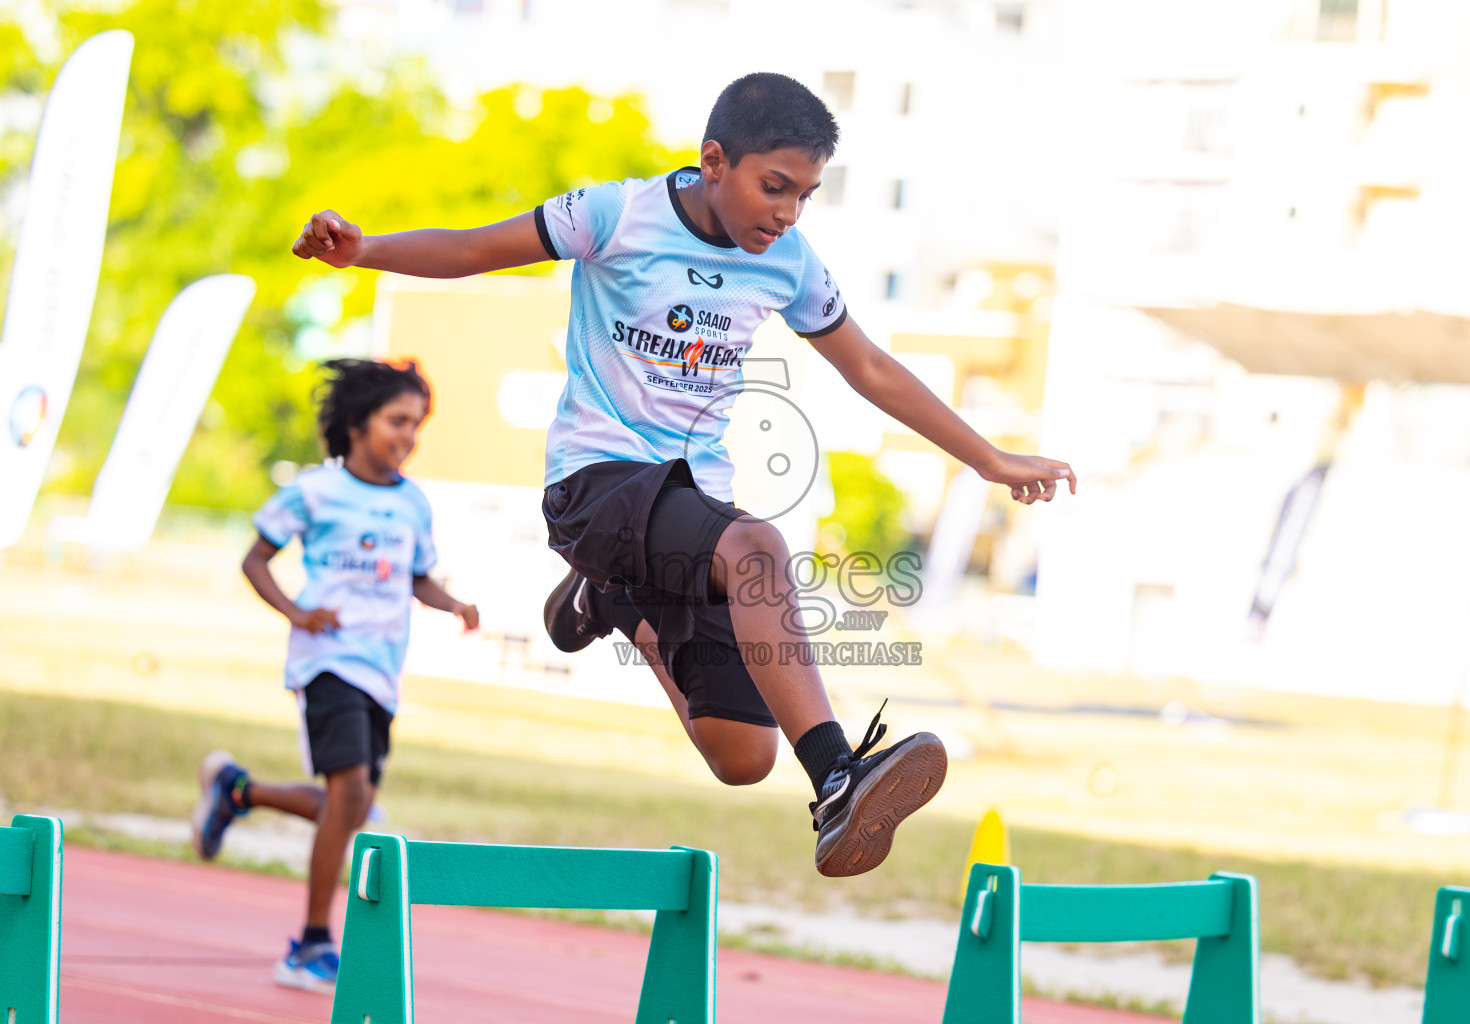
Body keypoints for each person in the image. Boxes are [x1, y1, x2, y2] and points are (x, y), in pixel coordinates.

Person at [289, 72, 1073, 878]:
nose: (787, 213)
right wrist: (367, 251)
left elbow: (869, 366)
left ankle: (613, 599)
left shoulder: (790, 263)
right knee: (758, 551)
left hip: (691, 500)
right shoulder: (617, 215)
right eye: (774, 187)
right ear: (713, 161)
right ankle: (839, 779)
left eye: (805, 195)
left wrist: (987, 459)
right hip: (595, 483)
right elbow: (471, 249)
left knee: (742, 754)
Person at [190, 358, 478, 993]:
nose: (408, 436)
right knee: (350, 796)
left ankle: (239, 791)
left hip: (381, 671)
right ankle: (312, 944)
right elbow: (256, 557)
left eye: (417, 425)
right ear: (357, 423)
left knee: (355, 807)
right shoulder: (315, 491)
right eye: (397, 421)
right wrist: (296, 612)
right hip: (326, 661)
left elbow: (417, 577)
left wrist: (452, 604)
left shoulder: (413, 502)